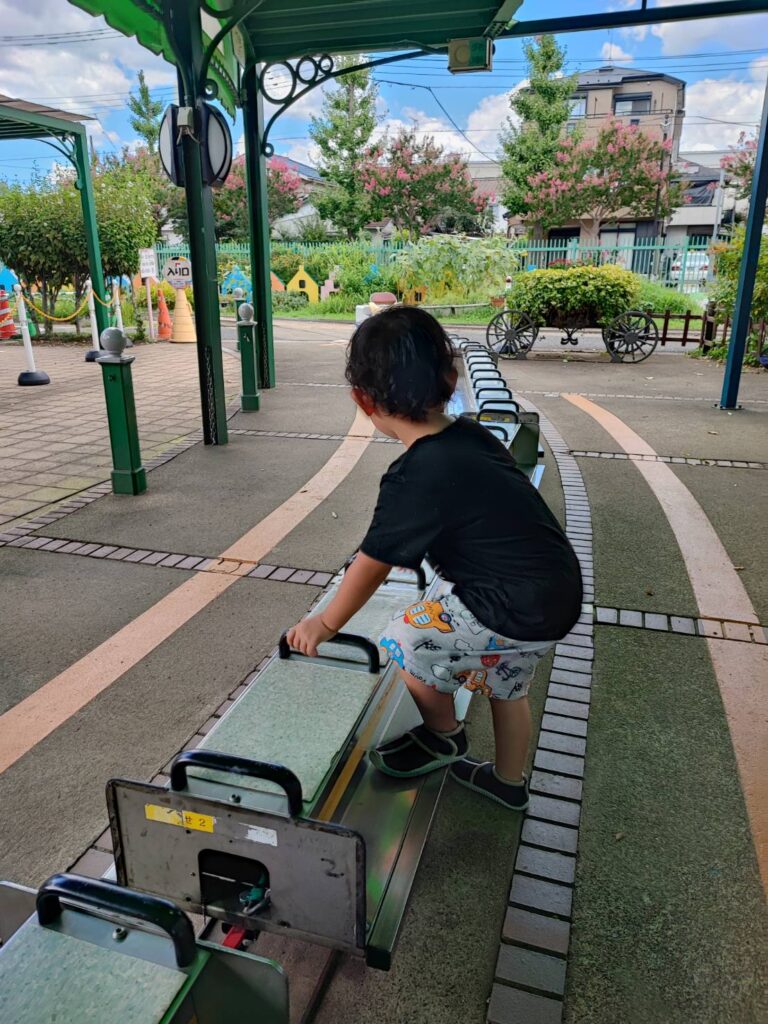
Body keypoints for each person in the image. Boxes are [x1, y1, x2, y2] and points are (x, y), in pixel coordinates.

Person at [286, 307, 582, 810]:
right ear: (451, 376)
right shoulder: (472, 435)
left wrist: (325, 624)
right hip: (555, 596)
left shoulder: (414, 474)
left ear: (362, 399)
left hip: (506, 604)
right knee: (507, 682)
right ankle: (509, 784)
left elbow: (373, 562)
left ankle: (444, 734)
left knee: (405, 637)